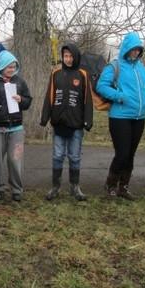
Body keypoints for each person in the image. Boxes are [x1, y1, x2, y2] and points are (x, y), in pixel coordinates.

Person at [96, 32, 145, 200]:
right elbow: (102, 86)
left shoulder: (141, 68)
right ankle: (111, 184)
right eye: (133, 49)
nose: (135, 52)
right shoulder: (115, 66)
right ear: (126, 48)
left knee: (130, 154)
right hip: (120, 117)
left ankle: (124, 187)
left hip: (139, 117)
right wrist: (119, 96)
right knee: (122, 153)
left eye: (138, 50)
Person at [41, 43, 93, 201]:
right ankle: (55, 187)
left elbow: (88, 100)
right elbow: (49, 96)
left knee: (75, 156)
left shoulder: (82, 74)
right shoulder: (56, 73)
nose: (68, 59)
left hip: (76, 125)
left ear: (75, 56)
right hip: (59, 123)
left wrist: (87, 121)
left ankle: (75, 187)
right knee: (57, 155)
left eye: (71, 56)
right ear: (62, 57)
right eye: (65, 56)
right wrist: (45, 118)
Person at [0, 50, 32, 202]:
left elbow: (28, 101)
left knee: (15, 160)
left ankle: (17, 190)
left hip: (16, 128)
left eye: (14, 66)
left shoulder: (20, 82)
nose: (11, 69)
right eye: (8, 66)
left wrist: (21, 100)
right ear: (1, 66)